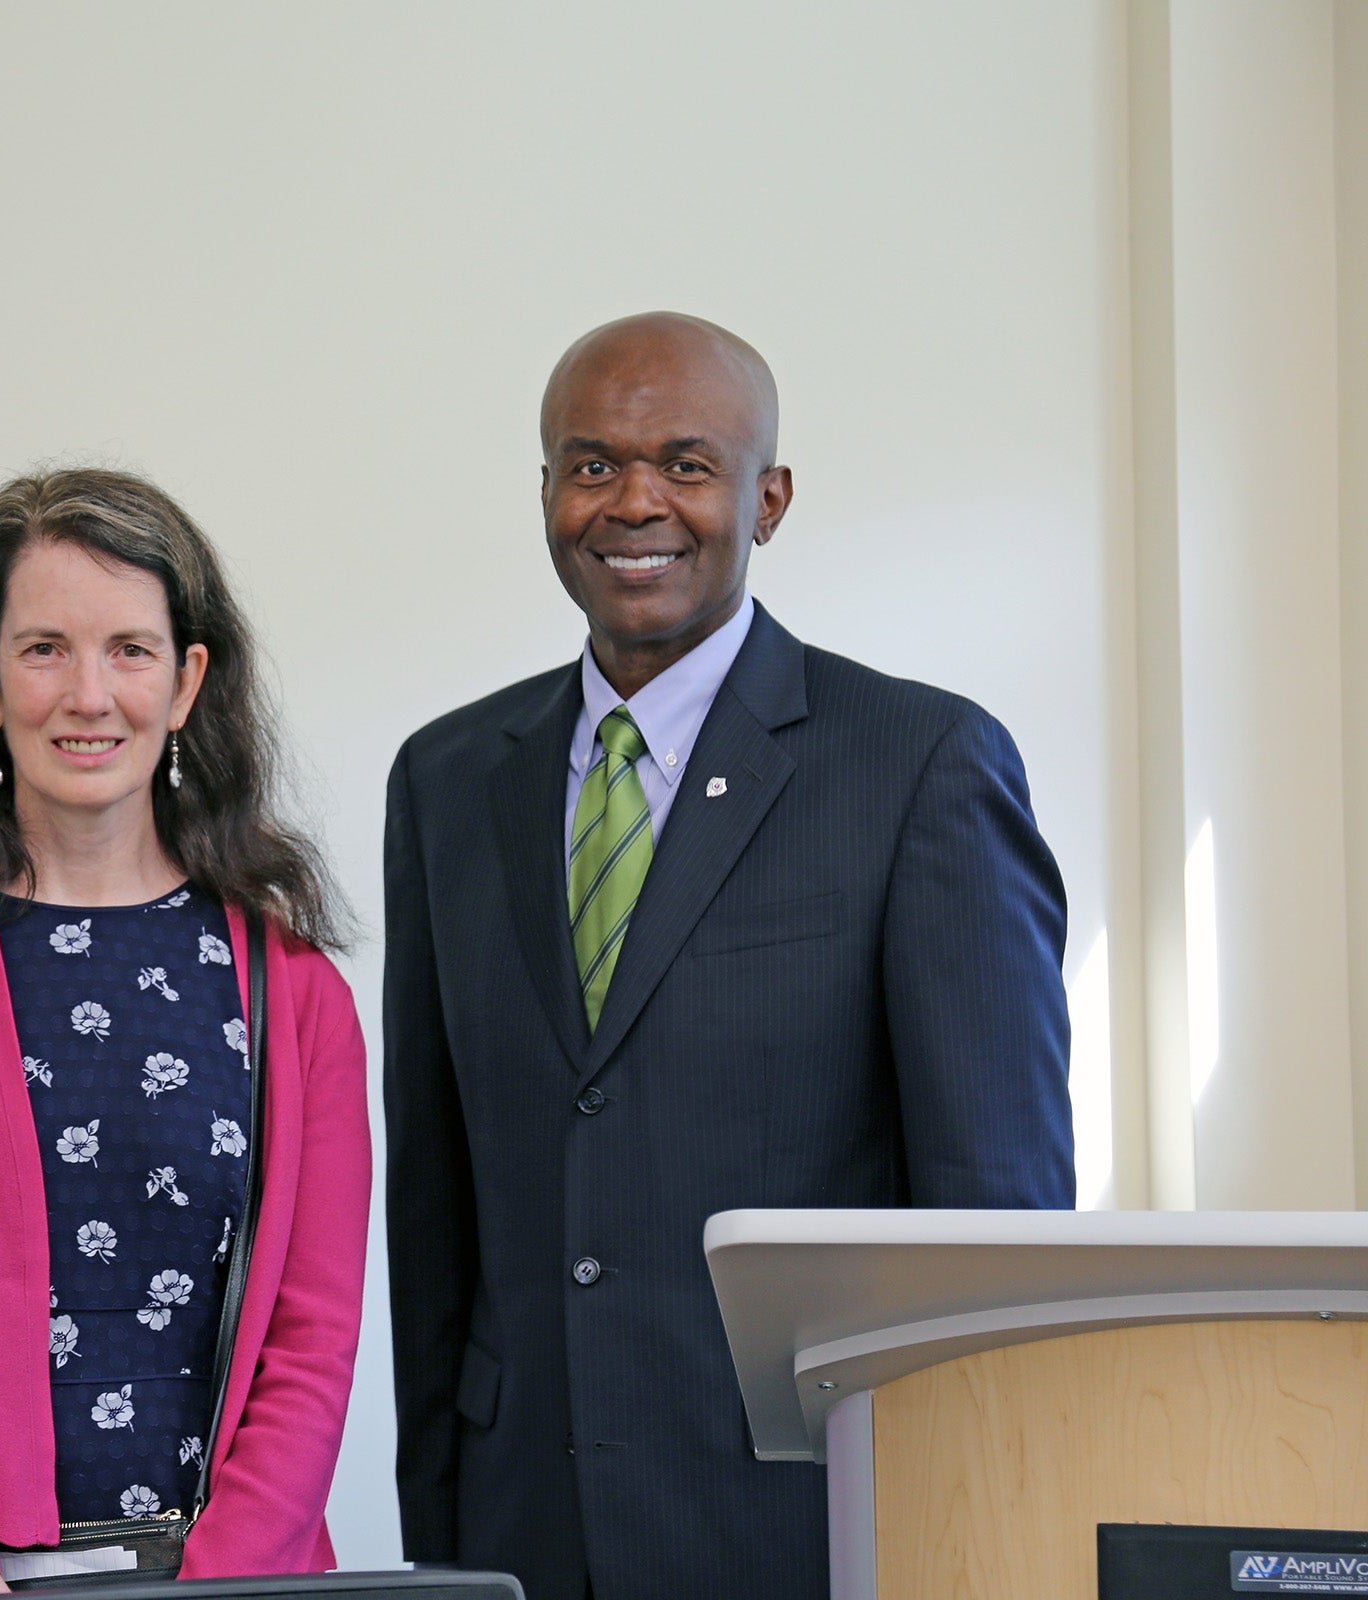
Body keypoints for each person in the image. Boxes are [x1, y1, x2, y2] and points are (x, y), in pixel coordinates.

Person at [382, 314, 1074, 1600]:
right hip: (518, 1521)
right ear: (545, 495)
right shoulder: (446, 779)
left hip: (803, 1524)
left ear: (770, 498)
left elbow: (996, 1226)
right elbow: (437, 1209)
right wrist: (443, 1533)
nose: (634, 500)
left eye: (686, 464)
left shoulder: (919, 764)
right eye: (591, 465)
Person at [0, 469, 370, 1600]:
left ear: (188, 680)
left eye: (130, 651)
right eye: (45, 648)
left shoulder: (293, 992)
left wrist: (222, 1586)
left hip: (224, 1589)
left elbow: (312, 1339)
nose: (88, 695)